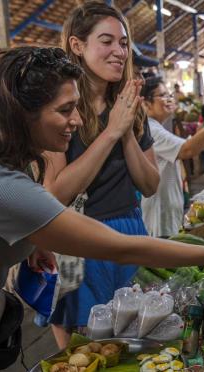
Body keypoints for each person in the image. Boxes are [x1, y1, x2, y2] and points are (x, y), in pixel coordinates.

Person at [0, 46, 204, 366]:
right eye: (65, 110)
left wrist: (34, 238)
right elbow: (122, 248)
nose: (76, 120)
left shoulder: (14, 169)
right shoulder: (6, 186)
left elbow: (148, 183)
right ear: (20, 112)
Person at [41, 2, 158, 347]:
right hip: (82, 238)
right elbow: (56, 193)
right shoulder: (60, 110)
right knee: (90, 349)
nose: (119, 51)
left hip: (131, 231)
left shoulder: (130, 107)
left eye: (123, 43)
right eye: (106, 41)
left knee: (135, 344)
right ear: (77, 46)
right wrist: (110, 133)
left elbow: (150, 185)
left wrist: (124, 130)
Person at [140, 76, 204, 237]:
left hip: (168, 209)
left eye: (169, 95)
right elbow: (187, 150)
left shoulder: (156, 126)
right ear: (145, 103)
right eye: (163, 95)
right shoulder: (151, 130)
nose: (169, 99)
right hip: (159, 214)